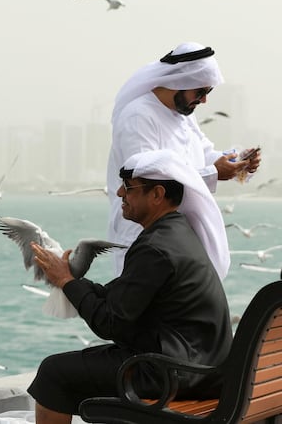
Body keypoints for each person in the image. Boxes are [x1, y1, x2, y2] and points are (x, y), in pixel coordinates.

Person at [27, 149, 233, 424]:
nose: (121, 194)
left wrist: (66, 281)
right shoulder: (177, 234)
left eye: (129, 188)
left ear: (157, 194)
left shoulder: (156, 247)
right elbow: (121, 296)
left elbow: (110, 323)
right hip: (203, 370)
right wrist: (70, 279)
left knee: (54, 373)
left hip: (174, 375)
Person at [107, 42, 261, 278]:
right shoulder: (138, 116)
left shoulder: (183, 116)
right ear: (180, 82)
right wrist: (213, 173)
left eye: (207, 93)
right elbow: (144, 181)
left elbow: (202, 153)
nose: (203, 101)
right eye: (200, 92)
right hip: (145, 238)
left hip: (181, 238)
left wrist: (238, 162)